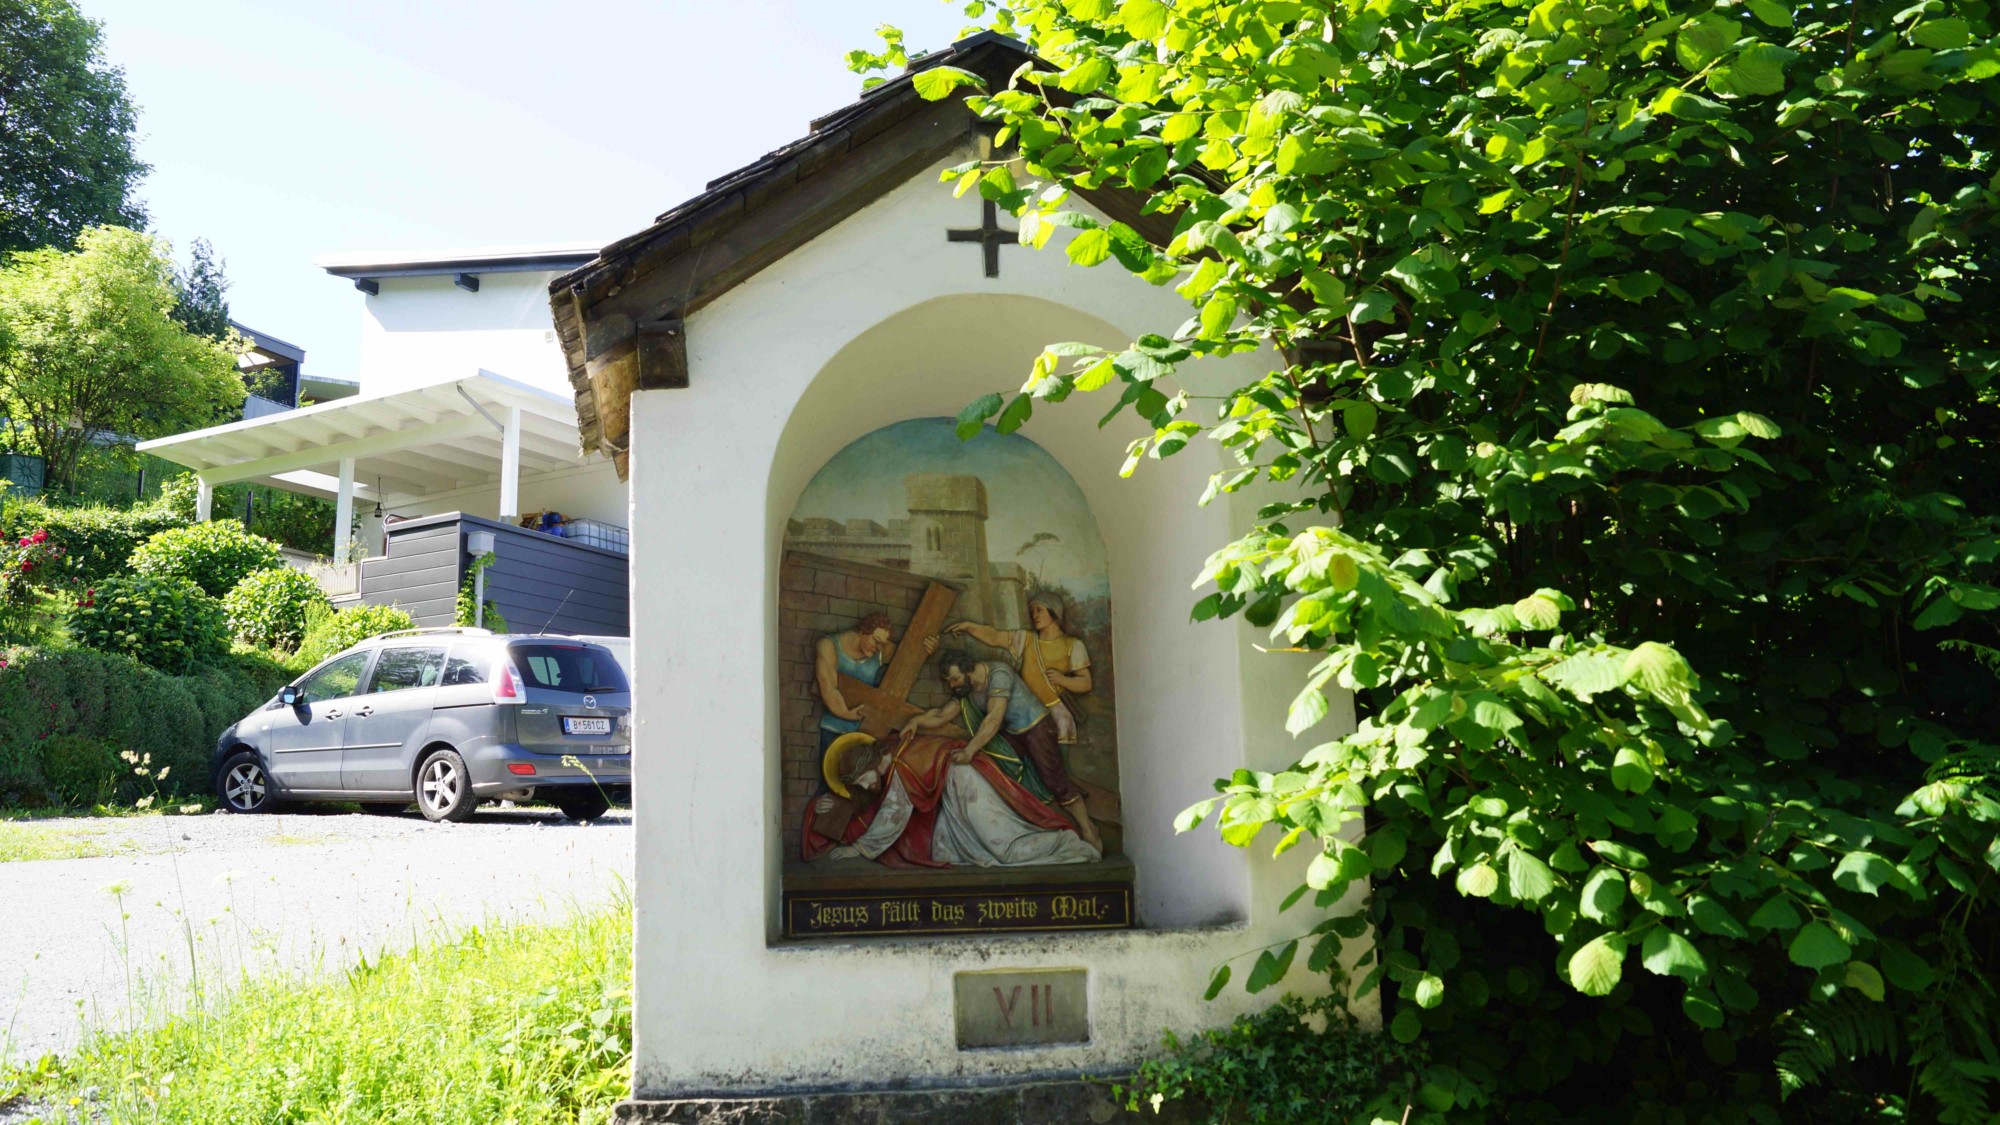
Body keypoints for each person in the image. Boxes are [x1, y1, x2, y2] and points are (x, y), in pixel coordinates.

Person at [897, 649, 1102, 852]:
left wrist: (969, 751)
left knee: (1056, 783)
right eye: (949, 681)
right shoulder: (965, 689)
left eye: (954, 678)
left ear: (968, 669)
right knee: (1001, 777)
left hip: (1037, 729)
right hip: (1011, 735)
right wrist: (916, 721)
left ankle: (1088, 829)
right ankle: (1030, 829)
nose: (952, 685)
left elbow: (994, 718)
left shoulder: (999, 674)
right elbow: (942, 715)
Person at [946, 590, 1090, 743]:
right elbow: (994, 636)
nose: (1034, 615)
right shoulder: (1026, 639)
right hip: (1024, 715)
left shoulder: (1073, 645)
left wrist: (1063, 680)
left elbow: (1086, 683)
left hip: (1056, 715)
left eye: (1039, 610)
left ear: (1054, 612)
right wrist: (968, 626)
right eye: (1032, 611)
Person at [813, 611, 932, 754]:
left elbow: (910, 656)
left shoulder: (880, 652)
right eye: (876, 641)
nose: (879, 648)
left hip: (868, 732)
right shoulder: (828, 646)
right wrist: (846, 714)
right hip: (834, 729)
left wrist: (926, 648)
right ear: (862, 632)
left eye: (883, 644)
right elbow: (828, 688)